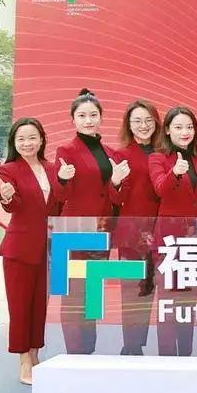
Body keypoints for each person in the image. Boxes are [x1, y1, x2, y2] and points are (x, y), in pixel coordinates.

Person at [55, 89, 131, 354]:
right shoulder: (66, 151)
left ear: (101, 117)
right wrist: (62, 178)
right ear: (73, 119)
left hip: (102, 230)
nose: (88, 120)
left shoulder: (111, 153)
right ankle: (75, 353)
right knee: (73, 294)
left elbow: (116, 197)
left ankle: (88, 351)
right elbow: (60, 195)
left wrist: (117, 182)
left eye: (93, 115)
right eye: (82, 115)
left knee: (91, 293)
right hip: (74, 231)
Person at [0, 118, 62, 384]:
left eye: (32, 137)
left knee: (39, 306)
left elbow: (59, 203)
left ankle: (35, 355)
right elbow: (12, 205)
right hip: (19, 250)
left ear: (42, 139)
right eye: (21, 139)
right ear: (14, 142)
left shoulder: (53, 168)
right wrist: (7, 196)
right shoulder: (7, 170)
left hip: (49, 249)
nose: (27, 143)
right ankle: (24, 360)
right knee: (20, 307)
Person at [148, 106, 197, 356]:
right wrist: (174, 173)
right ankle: (167, 358)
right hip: (168, 240)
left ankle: (185, 355)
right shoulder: (157, 158)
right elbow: (160, 189)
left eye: (189, 127)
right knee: (168, 302)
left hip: (196, 240)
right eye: (178, 127)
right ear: (167, 130)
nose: (184, 132)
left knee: (188, 302)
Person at [114, 100, 162, 355]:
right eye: (137, 121)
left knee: (154, 289)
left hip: (162, 232)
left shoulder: (167, 153)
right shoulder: (120, 156)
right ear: (128, 125)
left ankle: (143, 344)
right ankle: (131, 347)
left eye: (148, 120)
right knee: (133, 290)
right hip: (132, 235)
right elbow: (114, 197)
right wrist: (115, 182)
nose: (143, 126)